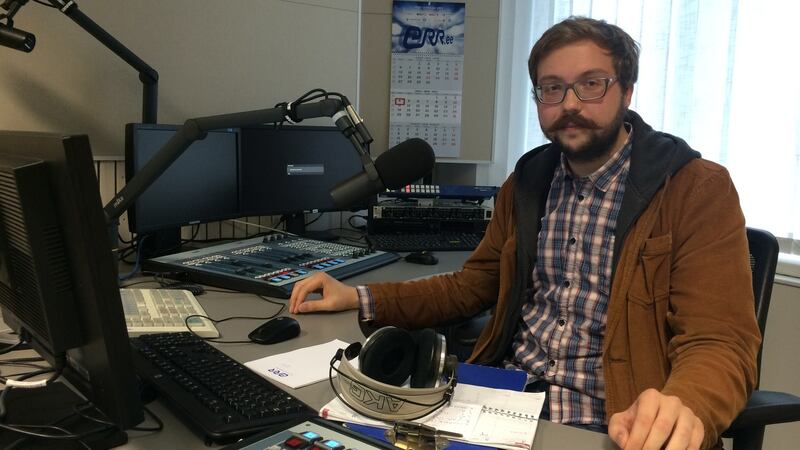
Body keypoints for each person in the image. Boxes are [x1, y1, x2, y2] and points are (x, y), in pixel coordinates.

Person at [289, 16, 760, 450]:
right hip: (501, 409)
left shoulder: (695, 188)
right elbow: (470, 286)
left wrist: (687, 405)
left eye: (591, 85)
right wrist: (359, 298)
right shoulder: (528, 182)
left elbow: (719, 342)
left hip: (611, 425)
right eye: (552, 89)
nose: (570, 104)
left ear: (627, 91)